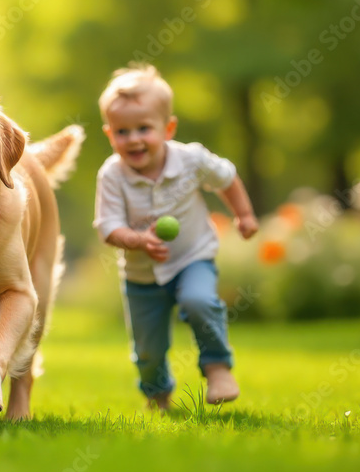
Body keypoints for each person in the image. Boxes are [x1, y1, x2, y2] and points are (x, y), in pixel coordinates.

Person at [93, 64, 258, 411]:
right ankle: (158, 394)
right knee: (147, 349)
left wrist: (243, 215)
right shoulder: (111, 175)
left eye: (144, 128)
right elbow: (108, 227)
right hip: (142, 277)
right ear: (110, 135)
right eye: (123, 131)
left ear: (168, 128)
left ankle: (217, 368)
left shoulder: (191, 159)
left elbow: (226, 178)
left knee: (200, 302)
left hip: (192, 258)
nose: (134, 139)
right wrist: (137, 240)